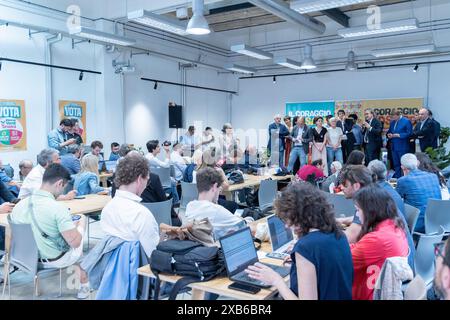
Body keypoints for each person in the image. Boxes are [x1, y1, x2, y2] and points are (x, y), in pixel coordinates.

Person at [245, 182, 353, 300]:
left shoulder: (305, 247)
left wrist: (276, 280)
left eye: (287, 219)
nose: (286, 226)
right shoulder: (338, 234)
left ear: (299, 216)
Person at [10, 163, 90, 299]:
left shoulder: (19, 205)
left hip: (25, 260)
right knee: (79, 246)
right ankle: (84, 287)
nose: (63, 192)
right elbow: (75, 243)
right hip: (54, 260)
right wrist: (80, 224)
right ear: (59, 183)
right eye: (64, 187)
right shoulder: (57, 209)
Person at [350, 186, 409, 300]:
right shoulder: (394, 226)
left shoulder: (377, 239)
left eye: (358, 210)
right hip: (382, 289)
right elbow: (358, 249)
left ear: (370, 211)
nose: (357, 215)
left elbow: (341, 262)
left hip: (369, 294)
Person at [101, 153, 159, 259]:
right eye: (147, 180)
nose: (146, 185)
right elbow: (154, 254)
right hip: (140, 271)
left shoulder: (107, 209)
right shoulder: (141, 214)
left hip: (113, 269)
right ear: (139, 179)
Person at [185, 167, 251, 235]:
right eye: (219, 188)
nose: (219, 192)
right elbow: (246, 227)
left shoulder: (190, 206)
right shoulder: (216, 210)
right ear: (214, 187)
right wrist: (248, 219)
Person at [396, 153, 441, 233]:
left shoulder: (403, 180)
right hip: (437, 223)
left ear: (402, 167)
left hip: (417, 225)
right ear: (417, 163)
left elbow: (396, 200)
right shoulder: (433, 176)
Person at [145, 140, 179, 205]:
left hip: (153, 179)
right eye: (158, 147)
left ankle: (174, 201)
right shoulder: (151, 158)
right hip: (153, 181)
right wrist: (168, 152)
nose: (160, 148)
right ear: (153, 149)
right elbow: (166, 165)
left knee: (172, 180)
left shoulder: (150, 157)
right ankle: (175, 202)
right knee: (172, 181)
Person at [387, 110, 413, 178]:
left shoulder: (406, 121)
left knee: (404, 164)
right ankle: (397, 179)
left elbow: (409, 133)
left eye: (393, 117)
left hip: (403, 147)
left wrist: (398, 135)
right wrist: (389, 134)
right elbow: (390, 131)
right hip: (393, 146)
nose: (392, 118)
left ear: (398, 115)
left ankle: (405, 178)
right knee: (396, 164)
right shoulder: (392, 122)